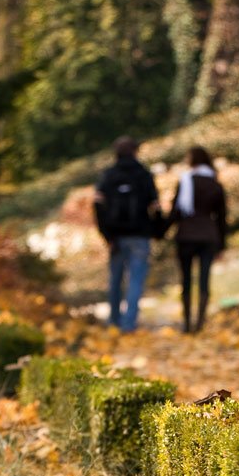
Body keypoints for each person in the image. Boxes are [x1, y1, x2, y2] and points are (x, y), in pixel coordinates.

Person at [94, 136, 161, 333]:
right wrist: (157, 230)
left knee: (115, 279)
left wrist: (106, 235)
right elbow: (155, 205)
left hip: (115, 235)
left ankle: (113, 320)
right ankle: (128, 323)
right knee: (135, 279)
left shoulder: (108, 175)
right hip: (139, 234)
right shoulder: (143, 174)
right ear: (134, 151)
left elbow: (98, 206)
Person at [169, 146, 227, 333]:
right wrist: (221, 245)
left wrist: (159, 230)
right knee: (204, 279)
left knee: (185, 280)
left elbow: (176, 212)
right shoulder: (215, 184)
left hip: (186, 235)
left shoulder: (185, 181)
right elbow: (222, 218)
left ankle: (187, 324)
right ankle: (199, 324)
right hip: (208, 236)